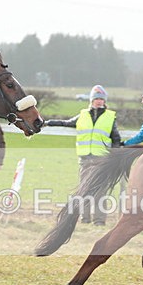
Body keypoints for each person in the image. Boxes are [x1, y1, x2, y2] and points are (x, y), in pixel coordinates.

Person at [45, 85, 121, 225]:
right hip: (85, 159)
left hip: (101, 160)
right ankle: (85, 219)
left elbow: (116, 139)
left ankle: (99, 221)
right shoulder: (83, 115)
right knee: (85, 190)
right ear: (91, 100)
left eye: (101, 99)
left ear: (104, 101)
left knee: (100, 191)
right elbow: (66, 123)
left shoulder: (110, 117)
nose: (98, 101)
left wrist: (114, 160)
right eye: (96, 99)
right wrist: (48, 123)